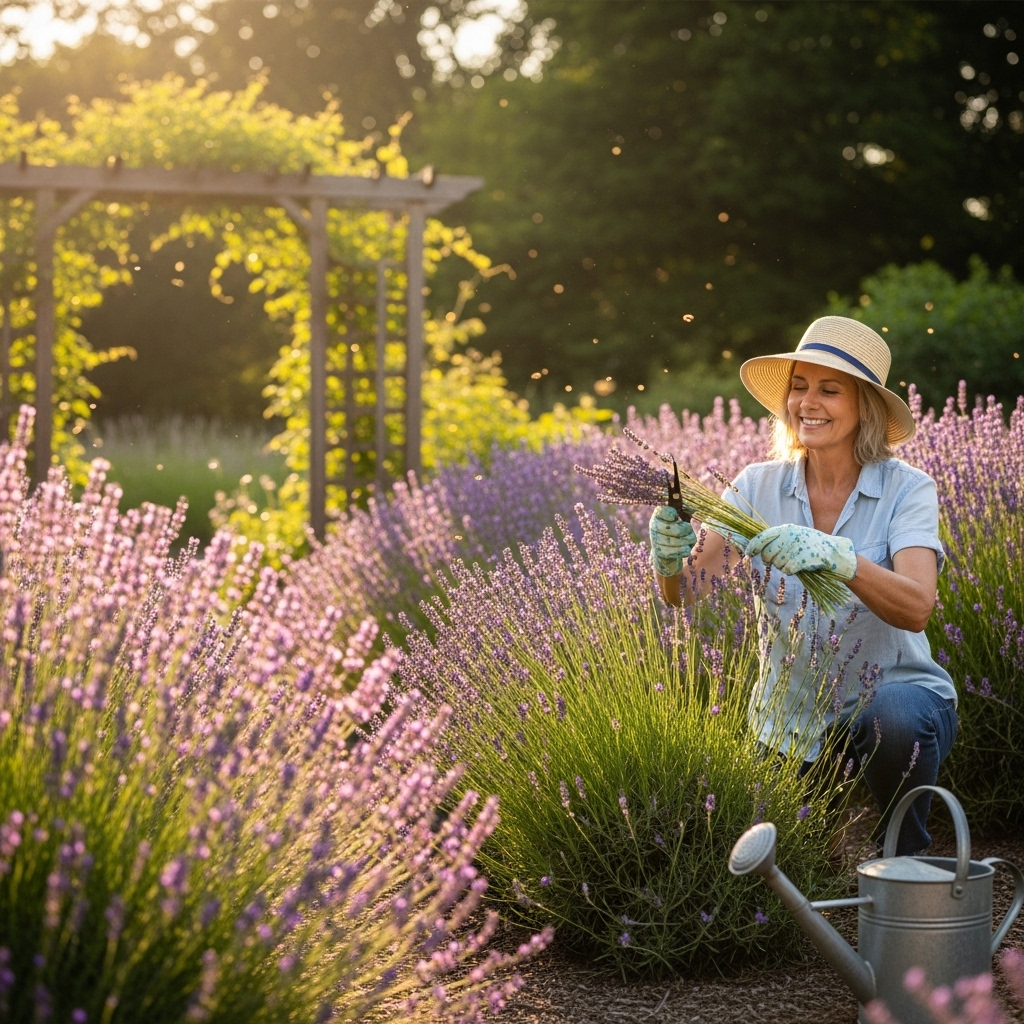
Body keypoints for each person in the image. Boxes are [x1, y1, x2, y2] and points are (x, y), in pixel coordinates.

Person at [649, 316, 957, 856]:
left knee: (897, 716)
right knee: (783, 867)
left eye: (829, 390)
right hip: (793, 719)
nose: (806, 402)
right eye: (799, 386)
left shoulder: (907, 490)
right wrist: (668, 558)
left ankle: (905, 862)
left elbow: (916, 608)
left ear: (864, 405)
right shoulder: (756, 486)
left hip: (895, 701)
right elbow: (686, 594)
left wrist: (843, 560)